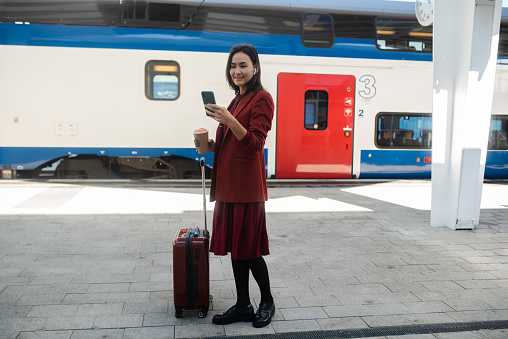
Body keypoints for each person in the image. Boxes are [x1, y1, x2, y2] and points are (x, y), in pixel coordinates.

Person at [198, 44, 275, 328]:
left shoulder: (262, 99)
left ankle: (267, 301)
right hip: (229, 187)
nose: (237, 71)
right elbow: (232, 143)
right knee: (236, 249)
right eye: (233, 66)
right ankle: (243, 304)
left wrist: (229, 120)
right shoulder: (235, 101)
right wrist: (208, 145)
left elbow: (255, 144)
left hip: (247, 189)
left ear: (255, 67)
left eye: (243, 65)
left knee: (250, 250)